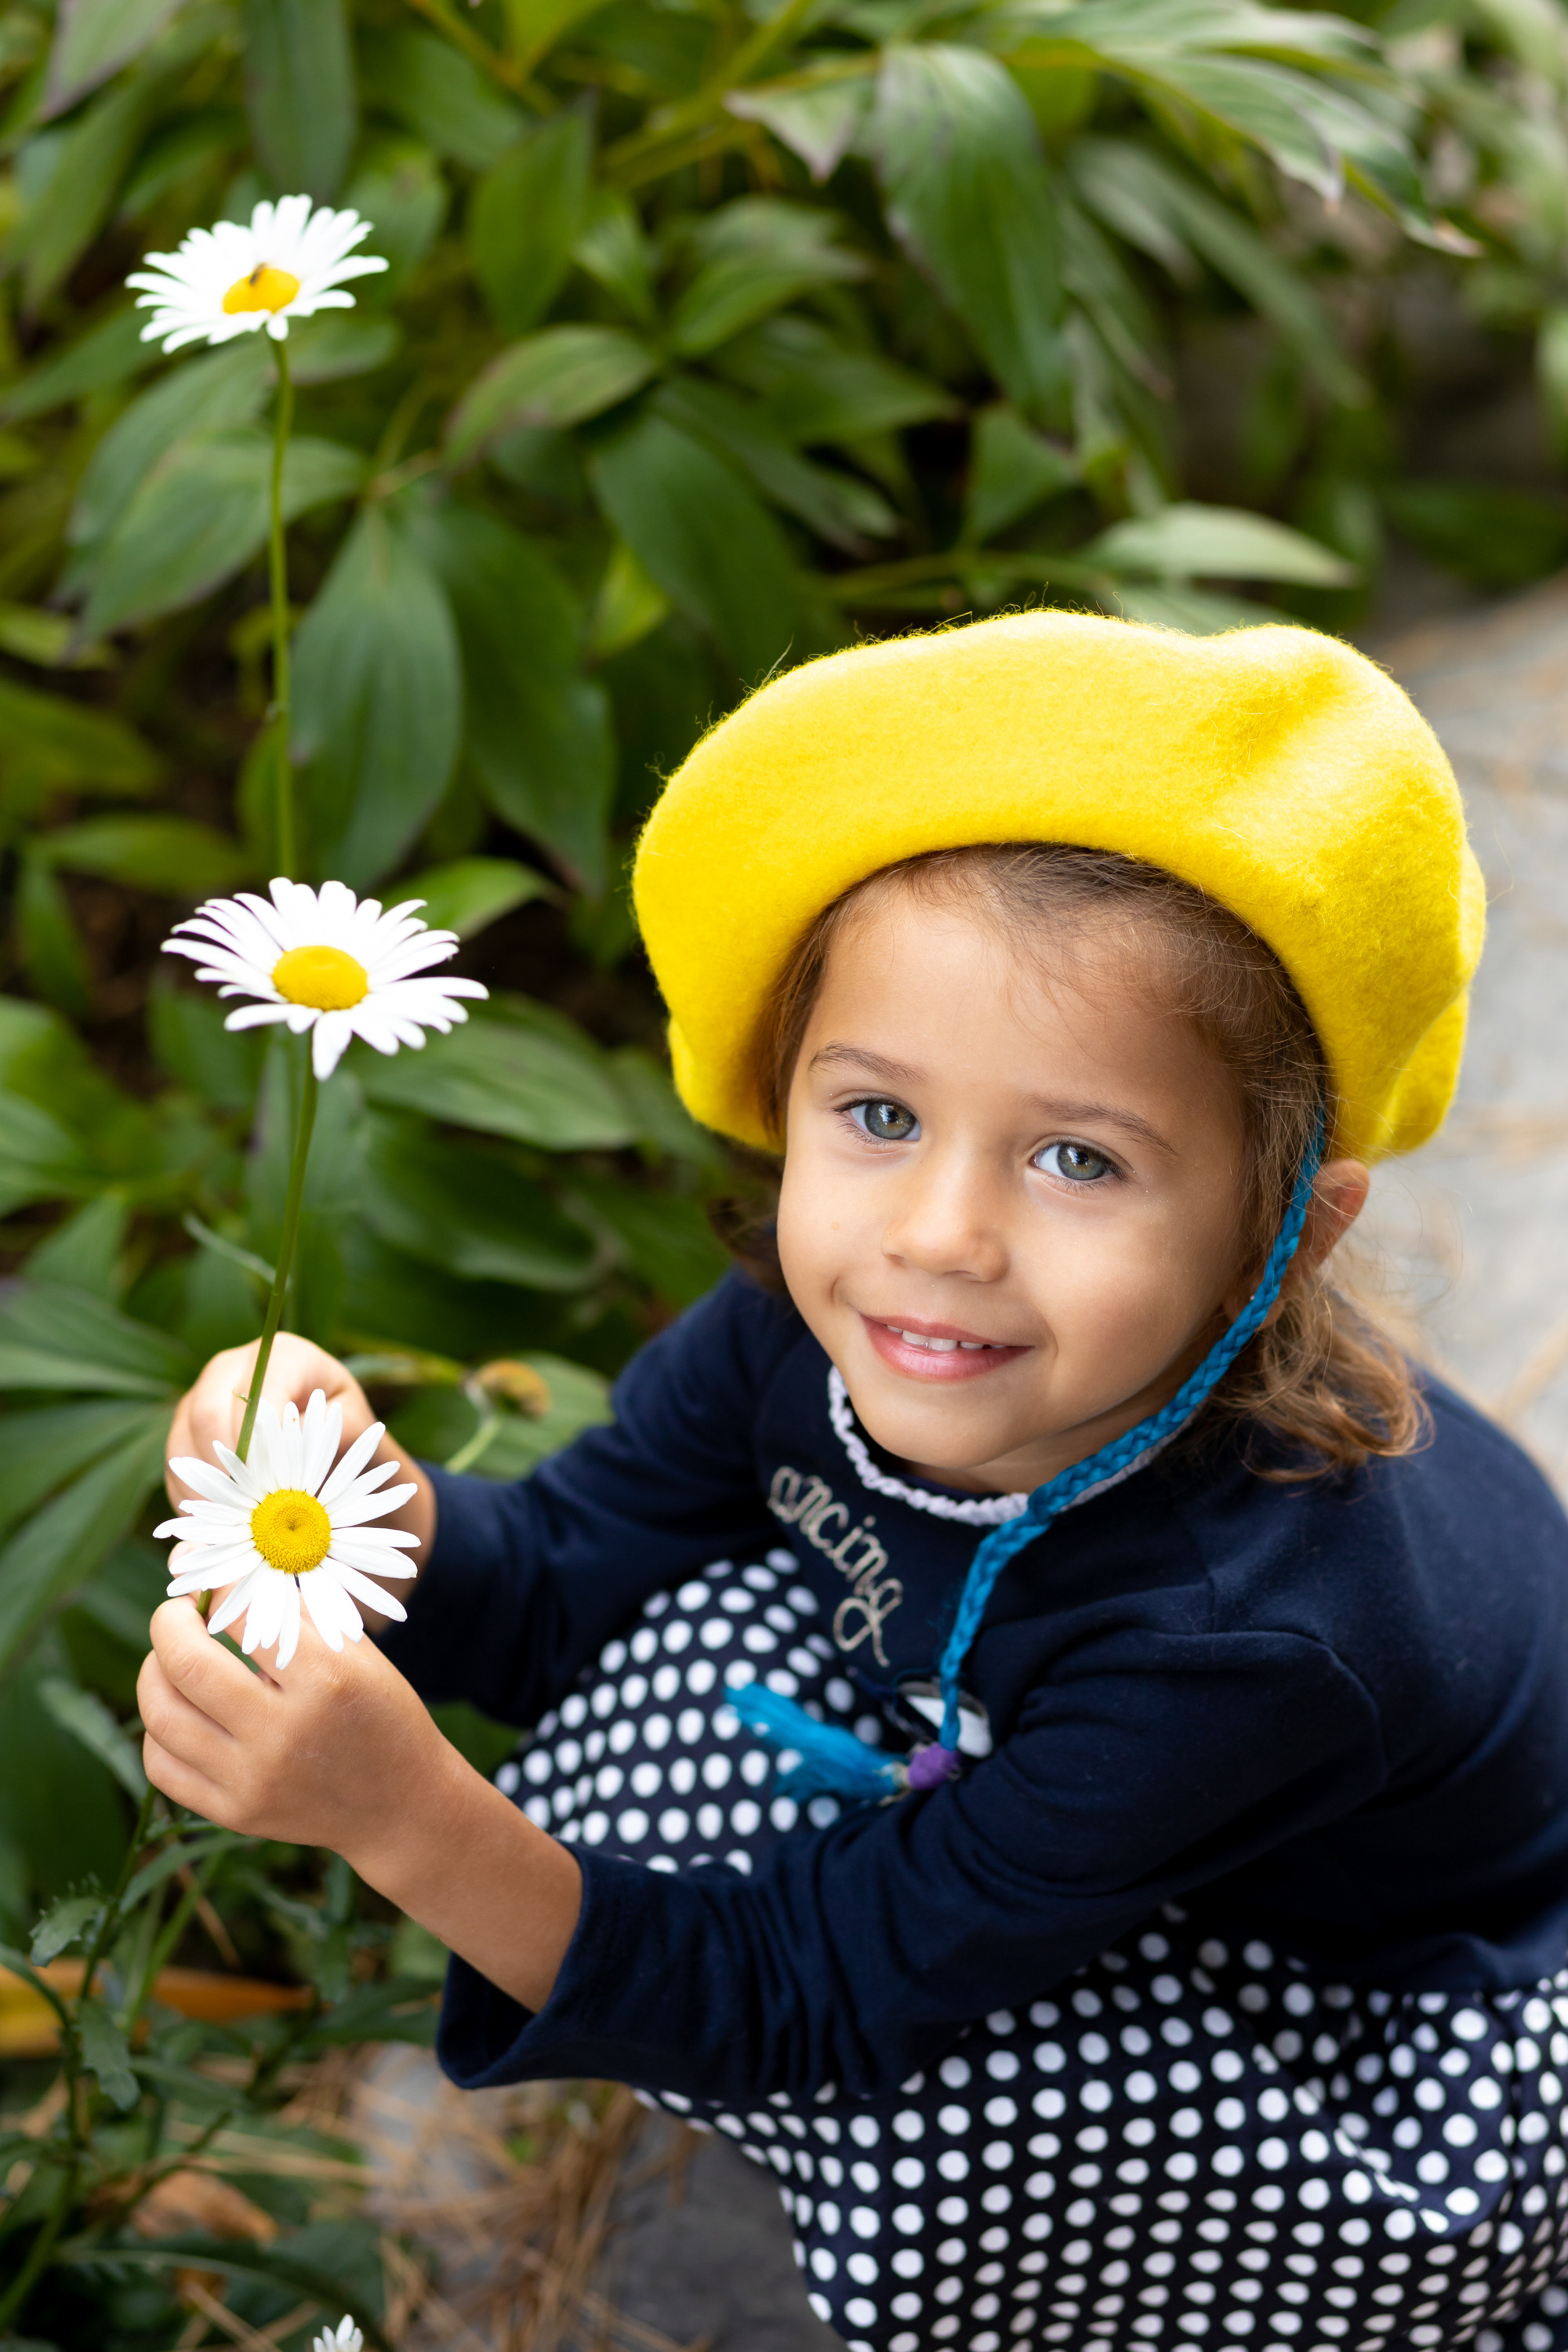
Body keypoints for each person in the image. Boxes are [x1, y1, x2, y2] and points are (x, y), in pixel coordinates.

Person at [140, 613, 1568, 2352]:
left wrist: (409, 1822)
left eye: (1076, 1157)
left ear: (1291, 1233)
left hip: (1401, 1989)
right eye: (879, 1117)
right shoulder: (808, 1332)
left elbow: (826, 2002)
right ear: (786, 1096)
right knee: (674, 1685)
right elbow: (575, 1567)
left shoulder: (1243, 1632)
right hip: (1114, 1794)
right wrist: (369, 1513)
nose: (937, 1235)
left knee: (937, 2138)